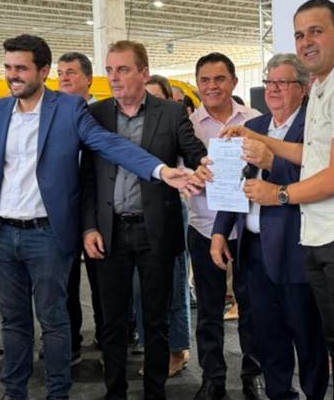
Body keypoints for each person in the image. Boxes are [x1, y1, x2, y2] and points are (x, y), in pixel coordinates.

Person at [0, 34, 193, 400]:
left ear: (43, 71)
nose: (12, 75)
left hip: (47, 234)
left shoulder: (69, 109)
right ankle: (14, 392)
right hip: (3, 234)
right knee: (12, 322)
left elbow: (111, 145)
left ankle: (58, 393)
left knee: (55, 322)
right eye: (8, 67)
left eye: (21, 68)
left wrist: (160, 170)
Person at [216, 0, 334, 399]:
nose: (306, 42)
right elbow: (313, 154)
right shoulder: (323, 85)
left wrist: (278, 193)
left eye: (316, 31)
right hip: (321, 235)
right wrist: (257, 137)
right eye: (300, 34)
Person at [80, 40, 206, 400]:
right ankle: (115, 392)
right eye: (109, 70)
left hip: (157, 230)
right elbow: (86, 178)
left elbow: (193, 152)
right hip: (110, 231)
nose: (114, 78)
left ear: (144, 72)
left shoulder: (171, 112)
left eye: (123, 69)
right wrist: (89, 226)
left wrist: (206, 165)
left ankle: (155, 391)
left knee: (156, 319)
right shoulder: (95, 115)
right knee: (112, 321)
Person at [211, 53, 328, 400]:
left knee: (308, 338)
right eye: (269, 82)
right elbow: (233, 181)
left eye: (283, 83)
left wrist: (273, 162)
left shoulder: (315, 126)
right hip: (253, 250)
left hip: (297, 249)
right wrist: (219, 232)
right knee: (268, 336)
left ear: (303, 88)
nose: (273, 89)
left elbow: (321, 178)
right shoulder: (257, 125)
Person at [187, 52, 264, 400]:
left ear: (233, 81)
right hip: (204, 227)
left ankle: (253, 374)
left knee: (252, 307)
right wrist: (194, 175)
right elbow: (179, 171)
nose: (212, 86)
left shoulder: (255, 120)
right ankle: (212, 378)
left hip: (247, 230)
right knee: (208, 311)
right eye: (205, 80)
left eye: (219, 79)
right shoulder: (188, 126)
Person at [138, 72, 193, 378]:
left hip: (169, 210)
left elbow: (191, 160)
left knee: (174, 283)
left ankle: (177, 349)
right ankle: (153, 348)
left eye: (156, 98)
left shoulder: (175, 124)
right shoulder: (131, 125)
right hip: (137, 214)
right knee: (141, 289)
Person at [55, 51, 102, 366]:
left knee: (103, 282)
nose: (64, 78)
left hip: (99, 209)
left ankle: (110, 337)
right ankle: (69, 342)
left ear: (88, 78)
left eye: (70, 72)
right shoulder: (53, 116)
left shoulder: (103, 114)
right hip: (63, 212)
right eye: (60, 73)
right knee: (65, 282)